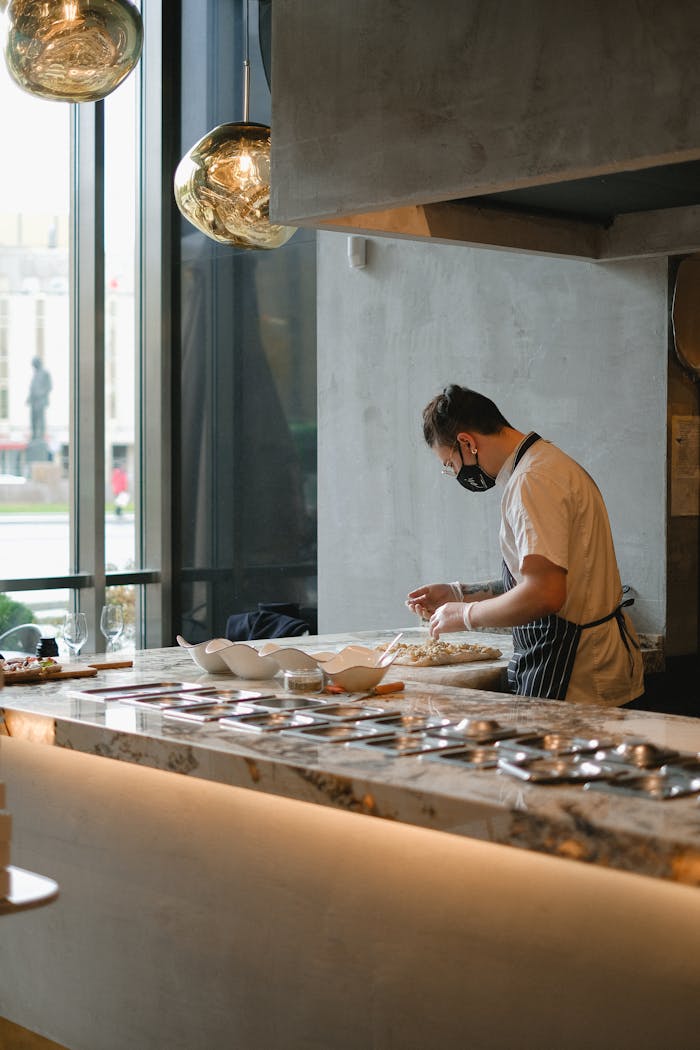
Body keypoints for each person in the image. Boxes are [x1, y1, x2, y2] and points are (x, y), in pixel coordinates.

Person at [406, 384, 644, 708]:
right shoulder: (545, 464)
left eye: (450, 464)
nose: (455, 473)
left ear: (467, 442)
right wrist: (458, 593)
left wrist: (466, 615)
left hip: (574, 675)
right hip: (582, 666)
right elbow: (538, 578)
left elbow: (545, 593)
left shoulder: (533, 481)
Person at [27, 356, 52, 441]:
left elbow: (49, 386)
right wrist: (29, 397)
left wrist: (41, 393)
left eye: (34, 364)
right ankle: (34, 435)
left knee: (40, 418)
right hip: (34, 401)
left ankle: (40, 435)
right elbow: (32, 387)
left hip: (40, 400)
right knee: (33, 418)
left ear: (38, 363)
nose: (33, 366)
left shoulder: (45, 373)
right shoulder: (35, 374)